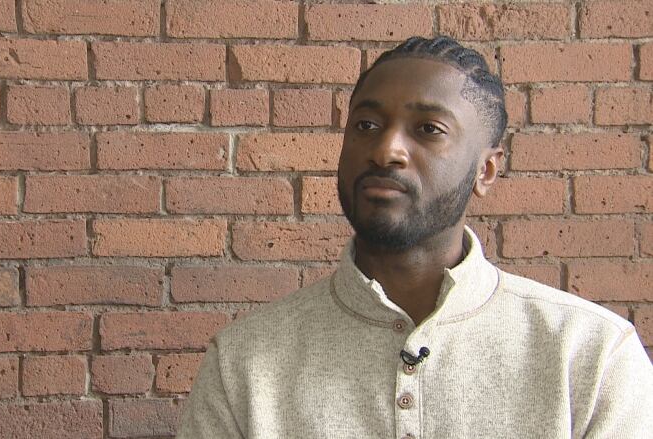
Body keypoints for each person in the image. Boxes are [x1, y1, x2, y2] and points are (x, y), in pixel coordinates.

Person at [176, 36, 653, 438]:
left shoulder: (589, 356)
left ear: (485, 170)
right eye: (366, 125)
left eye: (429, 129)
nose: (386, 150)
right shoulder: (244, 364)